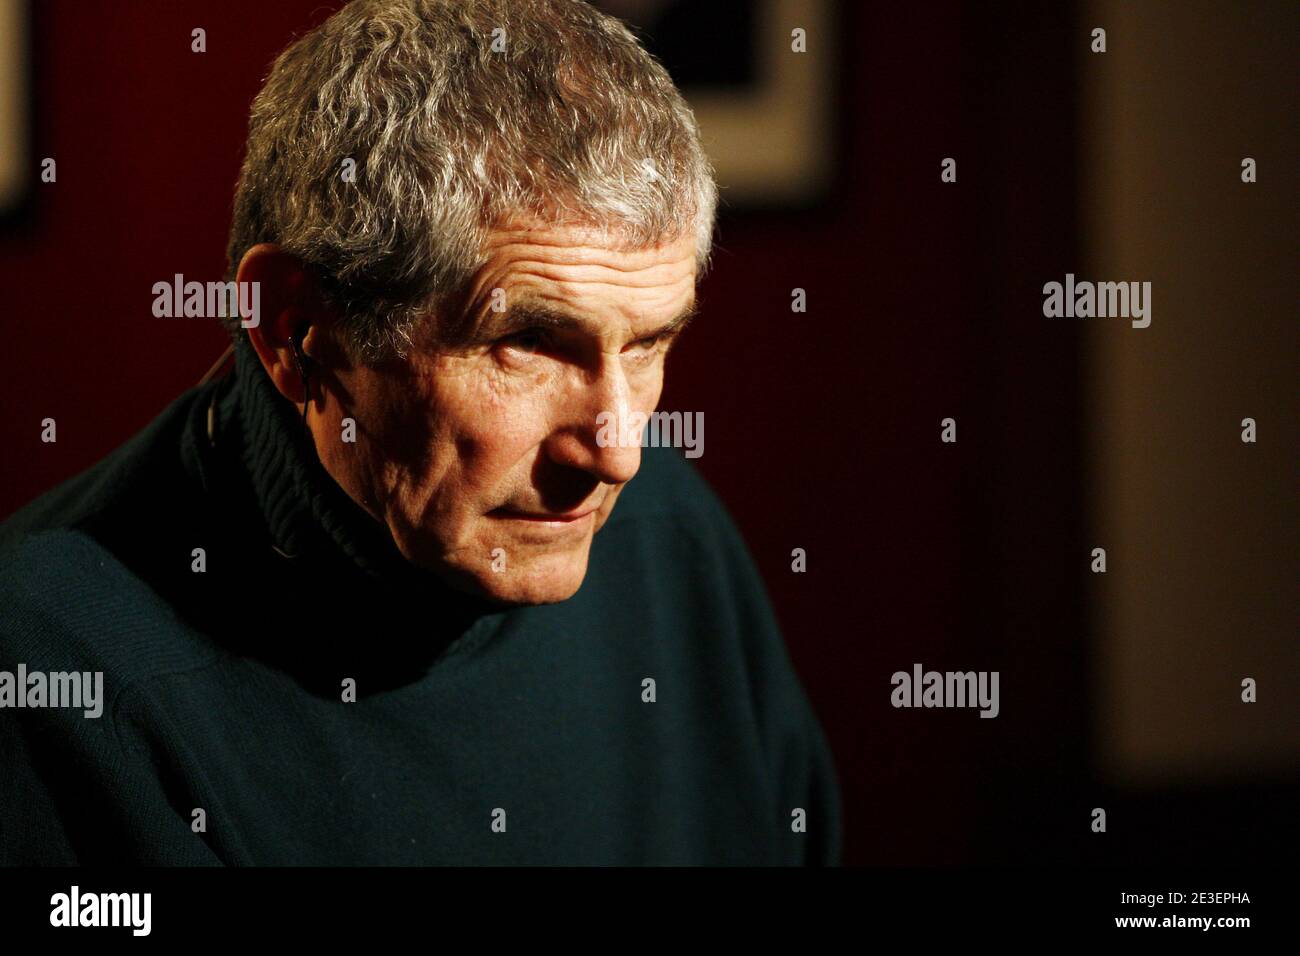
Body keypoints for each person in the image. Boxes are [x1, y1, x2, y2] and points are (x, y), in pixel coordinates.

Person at [0, 0, 840, 865]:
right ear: (296, 331)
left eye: (649, 343)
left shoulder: (669, 532)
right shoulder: (55, 673)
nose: (617, 451)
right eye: (529, 345)